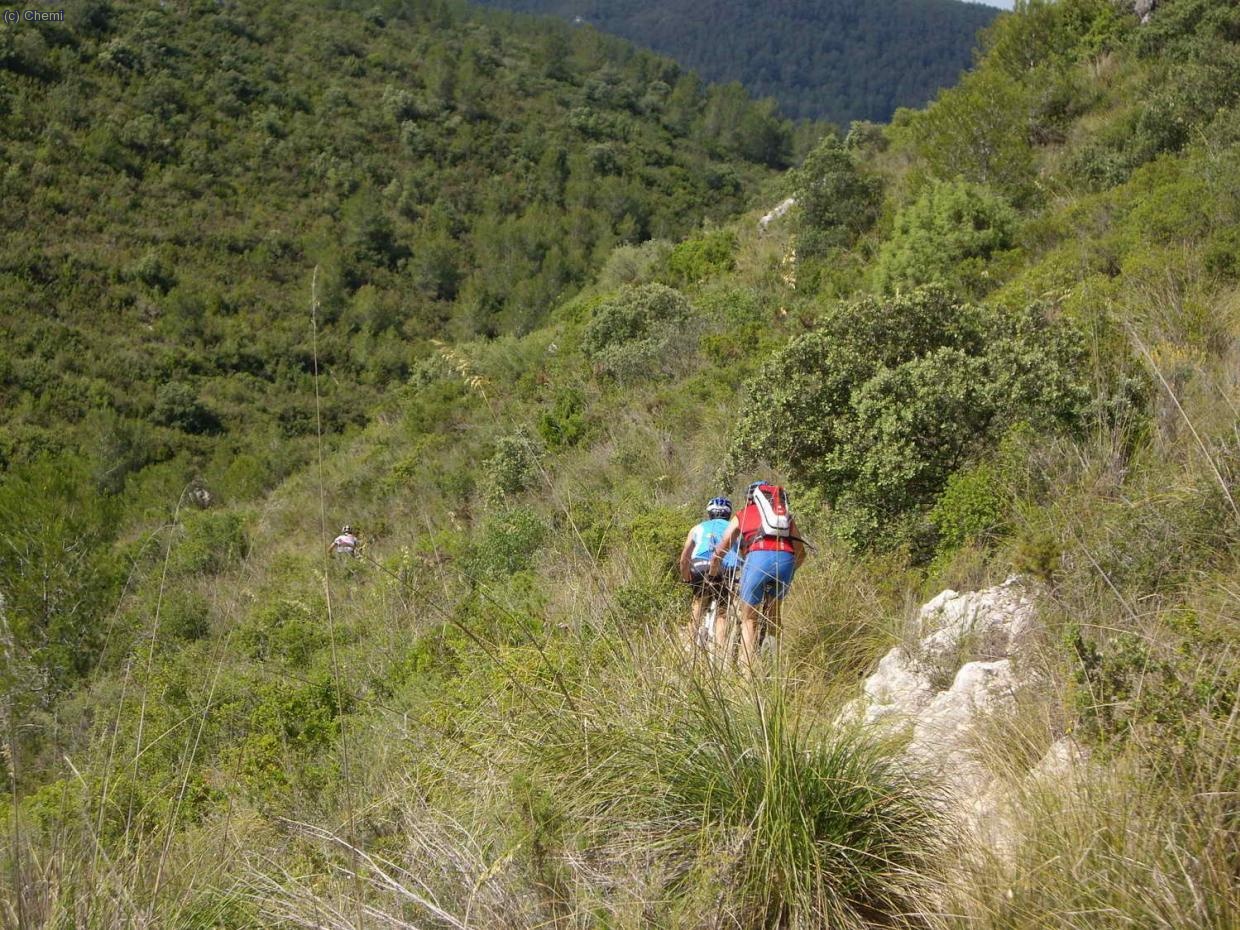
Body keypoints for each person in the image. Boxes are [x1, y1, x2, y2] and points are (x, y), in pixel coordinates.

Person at [708, 482, 806, 672]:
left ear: (749, 499)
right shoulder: (784, 515)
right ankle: (775, 668)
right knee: (774, 616)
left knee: (749, 620)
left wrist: (713, 572)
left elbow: (723, 547)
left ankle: (747, 673)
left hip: (757, 559)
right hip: (785, 561)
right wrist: (790, 573)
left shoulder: (743, 514)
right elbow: (801, 553)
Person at [678, 497, 740, 649]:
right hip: (725, 568)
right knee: (722, 612)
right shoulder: (736, 528)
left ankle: (688, 644)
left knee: (698, 602)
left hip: (699, 565)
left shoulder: (697, 528)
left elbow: (685, 557)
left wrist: (686, 577)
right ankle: (720, 650)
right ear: (728, 513)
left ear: (709, 513)